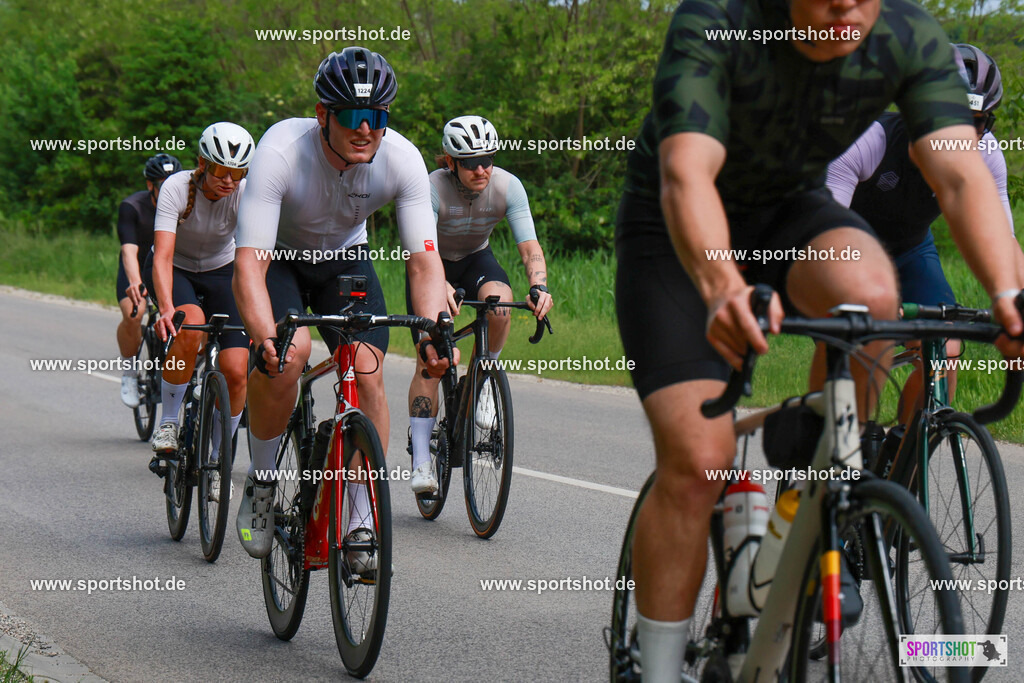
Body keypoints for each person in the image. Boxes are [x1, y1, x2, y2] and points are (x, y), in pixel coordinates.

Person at [613, 0, 1024, 678]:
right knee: (698, 459)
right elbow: (687, 172)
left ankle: (805, 497)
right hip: (676, 230)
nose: (844, 7)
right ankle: (656, 666)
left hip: (788, 208)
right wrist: (722, 286)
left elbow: (959, 174)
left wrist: (1009, 297)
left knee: (876, 298)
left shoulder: (905, 35)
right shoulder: (718, 21)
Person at [232, 47, 453, 560]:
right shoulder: (281, 152)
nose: (364, 130)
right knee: (287, 356)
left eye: (376, 118)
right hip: (280, 258)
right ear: (321, 115)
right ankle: (262, 480)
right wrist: (265, 336)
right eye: (351, 117)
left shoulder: (401, 160)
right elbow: (250, 265)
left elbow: (423, 262)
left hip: (344, 259)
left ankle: (358, 521)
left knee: (368, 372)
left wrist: (431, 333)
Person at [826, 43, 1013, 425]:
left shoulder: (987, 155)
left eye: (972, 121)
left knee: (947, 347)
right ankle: (837, 460)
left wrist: (1016, 302)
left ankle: (905, 461)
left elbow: (1003, 246)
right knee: (862, 350)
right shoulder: (866, 141)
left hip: (910, 251)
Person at [405, 115, 553, 493]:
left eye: (487, 159)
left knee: (500, 303)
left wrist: (538, 286)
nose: (482, 169)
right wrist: (439, 287)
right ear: (451, 162)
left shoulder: (508, 186)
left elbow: (528, 246)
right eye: (470, 162)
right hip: (430, 263)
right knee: (433, 359)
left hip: (475, 259)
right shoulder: (430, 188)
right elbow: (424, 251)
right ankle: (421, 460)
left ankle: (485, 376)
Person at [147, 122, 254, 502]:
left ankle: (218, 459)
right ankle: (170, 421)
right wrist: (164, 308)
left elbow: (255, 259)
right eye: (222, 170)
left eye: (238, 172)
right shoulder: (176, 188)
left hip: (222, 271)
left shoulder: (245, 194)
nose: (229, 180)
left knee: (238, 368)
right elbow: (161, 256)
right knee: (190, 326)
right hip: (176, 268)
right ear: (202, 164)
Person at [116, 154, 181, 408]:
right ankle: (130, 372)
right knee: (135, 312)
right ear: (150, 185)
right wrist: (135, 282)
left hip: (170, 268)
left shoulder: (187, 204)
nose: (168, 189)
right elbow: (128, 251)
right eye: (161, 184)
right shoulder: (132, 207)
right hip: (138, 269)